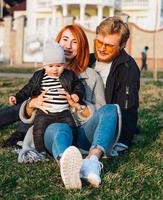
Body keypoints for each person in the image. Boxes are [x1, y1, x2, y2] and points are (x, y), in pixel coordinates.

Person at [17, 23, 120, 189]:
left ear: (82, 47)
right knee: (59, 128)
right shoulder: (43, 73)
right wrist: (31, 104)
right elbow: (29, 112)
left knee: (112, 109)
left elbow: (101, 113)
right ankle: (68, 163)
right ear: (58, 42)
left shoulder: (92, 76)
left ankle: (91, 162)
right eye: (65, 39)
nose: (68, 46)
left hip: (82, 132)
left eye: (75, 42)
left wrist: (77, 106)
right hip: (53, 129)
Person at [9, 41, 85, 156]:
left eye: (59, 66)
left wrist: (76, 95)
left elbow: (79, 86)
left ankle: (72, 149)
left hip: (63, 111)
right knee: (38, 130)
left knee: (72, 128)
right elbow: (28, 89)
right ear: (44, 66)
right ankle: (40, 152)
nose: (55, 69)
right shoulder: (39, 76)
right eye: (51, 66)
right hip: (44, 112)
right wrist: (17, 97)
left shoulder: (69, 75)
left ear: (64, 65)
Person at [88, 16, 141, 150]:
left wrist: (122, 141)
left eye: (109, 46)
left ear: (122, 45)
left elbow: (128, 107)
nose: (102, 49)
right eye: (99, 43)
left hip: (105, 127)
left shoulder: (128, 68)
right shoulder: (87, 61)